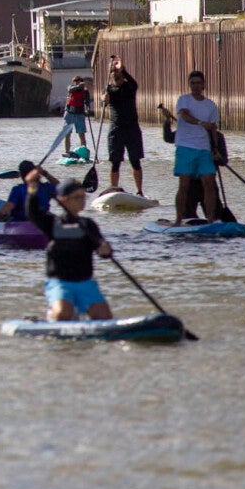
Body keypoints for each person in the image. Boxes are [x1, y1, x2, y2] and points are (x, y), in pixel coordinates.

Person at [27, 178, 113, 322]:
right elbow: (33, 213)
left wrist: (105, 250)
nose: (82, 201)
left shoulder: (88, 224)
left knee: (104, 317)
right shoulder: (51, 223)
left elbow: (103, 250)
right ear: (63, 200)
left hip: (85, 283)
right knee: (63, 314)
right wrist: (32, 187)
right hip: (60, 283)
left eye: (83, 197)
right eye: (77, 197)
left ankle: (80, 313)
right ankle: (54, 314)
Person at [166, 70, 223, 225]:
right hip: (185, 147)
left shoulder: (210, 105)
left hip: (204, 149)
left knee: (209, 183)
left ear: (203, 85)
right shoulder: (184, 100)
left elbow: (213, 128)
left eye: (198, 83)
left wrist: (215, 149)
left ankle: (211, 220)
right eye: (192, 83)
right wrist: (200, 122)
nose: (195, 86)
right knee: (184, 184)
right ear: (189, 85)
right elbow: (184, 115)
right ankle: (178, 220)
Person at [102, 56, 144, 196]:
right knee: (115, 162)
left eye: (118, 74)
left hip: (132, 129)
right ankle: (113, 189)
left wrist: (122, 69)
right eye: (114, 73)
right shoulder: (108, 89)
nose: (116, 76)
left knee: (135, 161)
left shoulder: (130, 87)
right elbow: (103, 100)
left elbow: (133, 82)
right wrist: (104, 99)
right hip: (116, 129)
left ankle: (139, 191)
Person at [54, 76, 93, 161]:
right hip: (69, 114)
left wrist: (87, 109)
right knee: (67, 134)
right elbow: (70, 90)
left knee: (81, 135)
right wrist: (79, 86)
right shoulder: (71, 87)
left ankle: (84, 153)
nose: (76, 83)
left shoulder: (85, 91)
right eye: (75, 81)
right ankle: (67, 152)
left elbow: (87, 102)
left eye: (78, 81)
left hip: (79, 115)